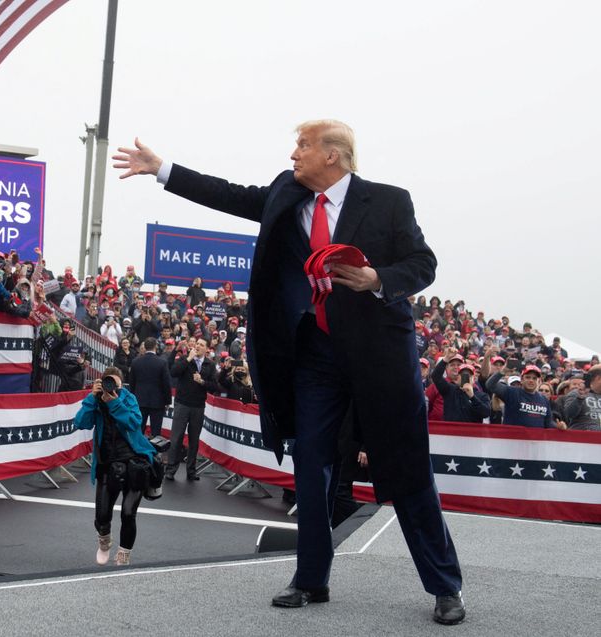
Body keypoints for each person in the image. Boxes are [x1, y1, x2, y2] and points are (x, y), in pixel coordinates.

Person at [113, 120, 465, 624]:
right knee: (311, 465)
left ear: (334, 156)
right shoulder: (287, 192)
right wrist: (162, 169)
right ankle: (310, 579)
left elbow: (423, 263)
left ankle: (444, 586)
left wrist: (375, 279)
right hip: (315, 357)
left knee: (407, 471)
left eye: (303, 145)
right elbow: (230, 195)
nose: (293, 153)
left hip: (378, 359)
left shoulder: (389, 201)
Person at [74, 366, 156, 566]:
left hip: (134, 462)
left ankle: (124, 554)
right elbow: (80, 422)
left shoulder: (128, 398)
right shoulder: (96, 400)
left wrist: (115, 402)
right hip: (107, 463)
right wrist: (93, 399)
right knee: (102, 516)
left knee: (128, 513)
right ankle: (104, 541)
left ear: (122, 384)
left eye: (116, 384)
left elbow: (134, 423)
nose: (112, 388)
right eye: (108, 383)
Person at [166, 337, 219, 480]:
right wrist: (188, 359)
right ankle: (171, 469)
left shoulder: (210, 364)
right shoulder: (185, 359)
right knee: (176, 438)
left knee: (194, 440)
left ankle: (191, 471)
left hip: (198, 406)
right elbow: (174, 372)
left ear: (207, 349)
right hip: (182, 404)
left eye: (201, 345)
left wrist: (202, 381)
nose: (197, 346)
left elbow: (215, 386)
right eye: (196, 344)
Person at [485, 365, 565, 429]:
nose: (531, 380)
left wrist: (557, 426)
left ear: (539, 381)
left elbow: (548, 423)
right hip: (513, 442)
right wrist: (502, 372)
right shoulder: (512, 392)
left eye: (534, 378)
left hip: (534, 444)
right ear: (522, 380)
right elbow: (490, 385)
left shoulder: (544, 400)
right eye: (528, 377)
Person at [128, 337, 172, 437]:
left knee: (139, 429)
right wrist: (168, 401)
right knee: (156, 432)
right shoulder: (162, 362)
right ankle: (154, 451)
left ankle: (138, 450)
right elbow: (166, 384)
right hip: (157, 402)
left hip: (140, 400)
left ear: (145, 347)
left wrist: (133, 399)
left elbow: (132, 383)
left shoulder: (135, 362)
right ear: (155, 347)